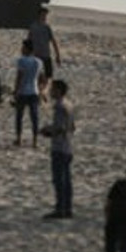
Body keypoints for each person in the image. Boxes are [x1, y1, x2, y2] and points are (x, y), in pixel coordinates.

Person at [41, 79, 75, 219]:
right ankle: (67, 208)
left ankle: (60, 209)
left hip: (59, 147)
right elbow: (72, 127)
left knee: (59, 180)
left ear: (59, 91)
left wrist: (47, 131)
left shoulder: (60, 106)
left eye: (52, 89)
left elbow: (59, 128)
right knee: (66, 180)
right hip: (68, 146)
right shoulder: (69, 104)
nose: (50, 92)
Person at [27, 7, 62, 81]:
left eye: (45, 15)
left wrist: (57, 55)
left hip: (46, 55)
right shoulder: (33, 27)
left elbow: (53, 41)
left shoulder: (47, 27)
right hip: (36, 55)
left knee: (49, 76)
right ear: (39, 15)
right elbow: (28, 41)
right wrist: (27, 54)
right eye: (43, 15)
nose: (44, 17)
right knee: (34, 75)